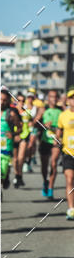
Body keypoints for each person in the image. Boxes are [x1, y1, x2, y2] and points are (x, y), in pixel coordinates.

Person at [38, 88, 61, 198]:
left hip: (56, 141)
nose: (54, 99)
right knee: (44, 166)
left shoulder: (61, 110)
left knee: (54, 164)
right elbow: (34, 124)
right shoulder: (43, 109)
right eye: (52, 96)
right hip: (45, 140)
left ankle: (51, 187)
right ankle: (45, 182)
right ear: (48, 98)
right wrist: (43, 124)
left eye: (56, 97)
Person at [57, 88, 74, 220]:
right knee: (69, 179)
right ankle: (71, 209)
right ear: (68, 100)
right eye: (72, 98)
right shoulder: (63, 115)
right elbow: (59, 132)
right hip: (68, 153)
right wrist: (56, 140)